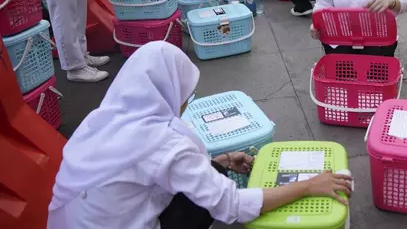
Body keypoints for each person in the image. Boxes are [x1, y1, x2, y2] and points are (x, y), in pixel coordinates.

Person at [46, 42, 353, 229]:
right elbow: (231, 206)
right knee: (206, 200)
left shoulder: (102, 120)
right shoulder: (163, 143)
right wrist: (310, 185)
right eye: (185, 94)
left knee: (205, 177)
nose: (183, 103)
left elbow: (145, 173)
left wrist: (219, 162)